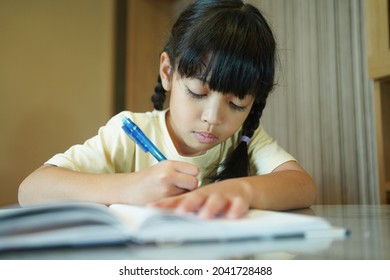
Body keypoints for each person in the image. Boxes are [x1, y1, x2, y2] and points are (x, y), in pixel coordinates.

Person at [18, 0, 316, 219]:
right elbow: (31, 190)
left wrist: (240, 191)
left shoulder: (245, 139)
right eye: (198, 92)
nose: (213, 118)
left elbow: (302, 186)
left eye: (237, 104)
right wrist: (130, 187)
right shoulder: (129, 133)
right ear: (167, 72)